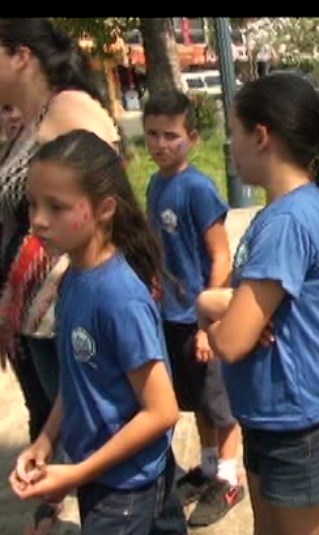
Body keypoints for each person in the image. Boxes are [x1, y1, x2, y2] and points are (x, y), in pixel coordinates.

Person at [195, 72, 319, 535]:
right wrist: (217, 305)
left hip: (302, 424)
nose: (230, 145)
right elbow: (227, 305)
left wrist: (220, 319)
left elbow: (230, 342)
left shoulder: (288, 222)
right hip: (276, 416)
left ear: (262, 136)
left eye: (234, 132)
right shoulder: (282, 213)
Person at [8, 129, 186, 534]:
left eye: (56, 207)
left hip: (126, 490)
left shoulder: (118, 297)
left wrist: (77, 473)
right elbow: (76, 381)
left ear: (104, 208)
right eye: (33, 205)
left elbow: (162, 411)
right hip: (102, 478)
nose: (37, 221)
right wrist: (47, 442)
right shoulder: (72, 278)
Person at [0, 18, 124, 534]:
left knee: (92, 429)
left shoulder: (68, 109)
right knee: (52, 422)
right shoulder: (26, 122)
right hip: (31, 318)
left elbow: (110, 210)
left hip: (71, 312)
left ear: (21, 55)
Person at [142, 90, 244, 527]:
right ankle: (205, 467)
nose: (161, 144)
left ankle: (228, 477)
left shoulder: (198, 189)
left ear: (193, 137)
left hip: (199, 318)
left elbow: (221, 257)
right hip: (171, 316)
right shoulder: (155, 184)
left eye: (171, 135)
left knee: (221, 406)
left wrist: (208, 326)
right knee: (197, 402)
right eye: (152, 134)